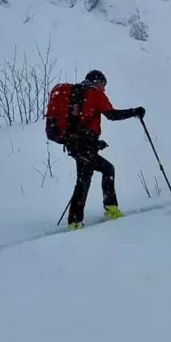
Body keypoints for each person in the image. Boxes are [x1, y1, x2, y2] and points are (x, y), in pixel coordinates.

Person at [58, 70, 144, 231]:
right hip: (84, 145)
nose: (104, 89)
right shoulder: (95, 94)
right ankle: (76, 221)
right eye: (103, 84)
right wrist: (134, 112)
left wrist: (96, 143)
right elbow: (111, 115)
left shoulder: (76, 95)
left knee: (104, 170)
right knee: (85, 180)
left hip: (75, 144)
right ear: (97, 82)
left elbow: (80, 123)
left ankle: (106, 208)